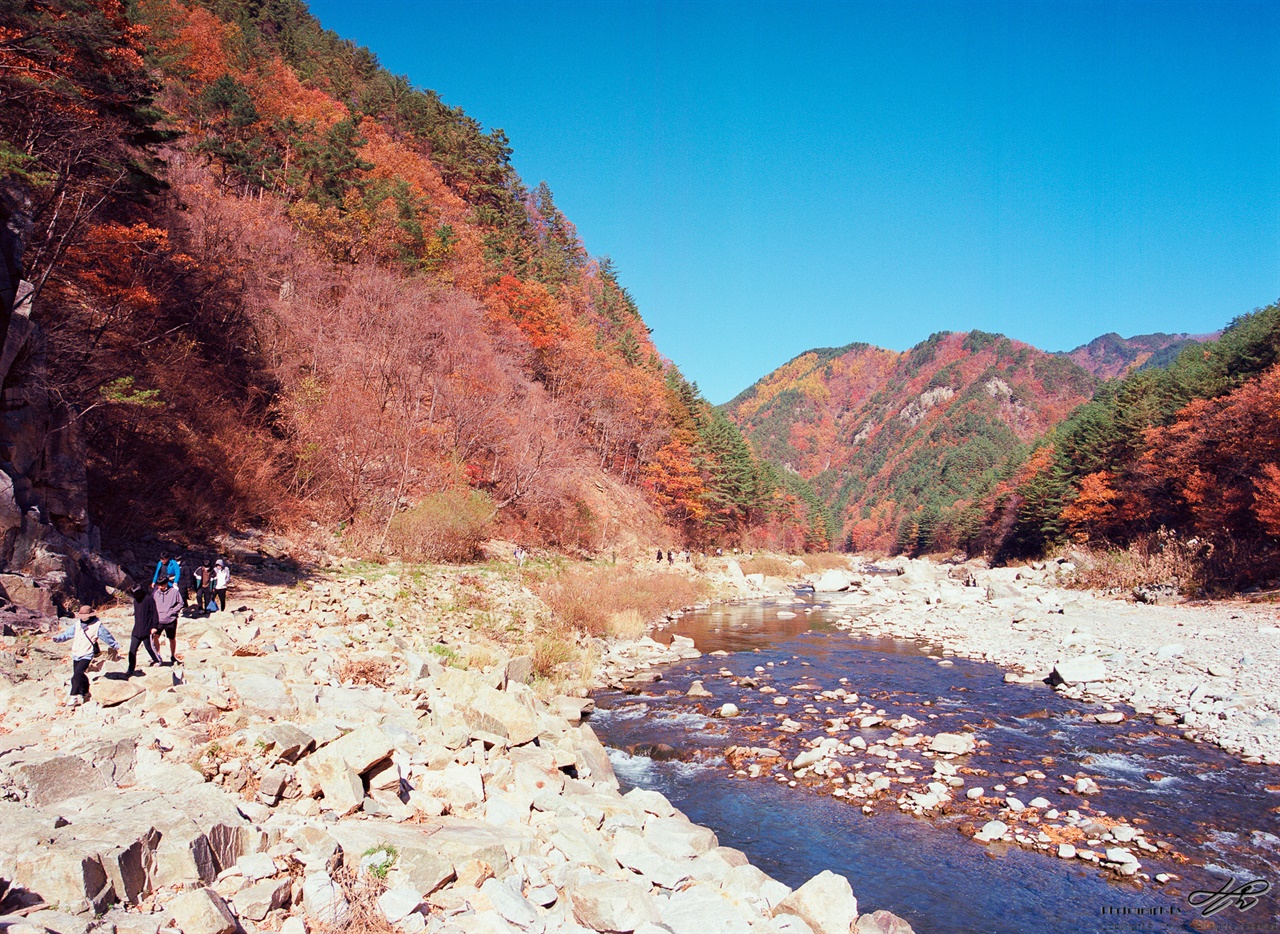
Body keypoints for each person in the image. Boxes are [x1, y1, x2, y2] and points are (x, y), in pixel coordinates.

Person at [52, 605, 119, 706]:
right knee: (79, 674)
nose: (82, 617)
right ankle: (85, 691)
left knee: (77, 674)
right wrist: (59, 638)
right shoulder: (78, 624)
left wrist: (114, 645)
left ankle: (73, 696)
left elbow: (106, 636)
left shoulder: (97, 625)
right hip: (76, 652)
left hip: (87, 653)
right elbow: (68, 634)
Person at [126, 585, 162, 674]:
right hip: (136, 630)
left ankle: (157, 660)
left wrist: (154, 627)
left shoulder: (149, 599)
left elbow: (154, 613)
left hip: (147, 630)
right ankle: (131, 668)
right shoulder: (135, 600)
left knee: (149, 647)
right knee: (132, 650)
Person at [151, 574, 183, 664]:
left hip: (170, 620)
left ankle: (173, 656)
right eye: (158, 585)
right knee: (155, 637)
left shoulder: (174, 592)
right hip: (158, 620)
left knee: (172, 638)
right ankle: (158, 655)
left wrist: (172, 611)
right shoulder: (155, 593)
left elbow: (181, 603)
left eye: (161, 585)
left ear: (166, 584)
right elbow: (152, 604)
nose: (160, 587)